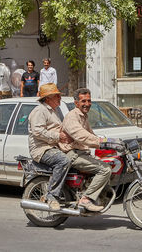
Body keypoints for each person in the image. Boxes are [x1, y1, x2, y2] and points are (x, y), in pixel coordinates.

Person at [59, 88, 112, 212]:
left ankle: (96, 195)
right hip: (72, 154)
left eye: (89, 101)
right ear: (76, 103)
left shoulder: (83, 117)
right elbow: (81, 136)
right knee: (105, 170)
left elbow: (91, 135)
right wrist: (100, 142)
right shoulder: (72, 117)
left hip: (81, 153)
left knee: (108, 164)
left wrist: (109, 143)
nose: (87, 104)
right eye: (83, 101)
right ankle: (86, 199)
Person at [28, 83, 73, 211]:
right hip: (41, 149)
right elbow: (38, 132)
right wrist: (58, 136)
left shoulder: (55, 110)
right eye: (57, 96)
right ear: (48, 98)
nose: (60, 98)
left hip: (54, 146)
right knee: (63, 160)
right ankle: (52, 196)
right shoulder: (40, 111)